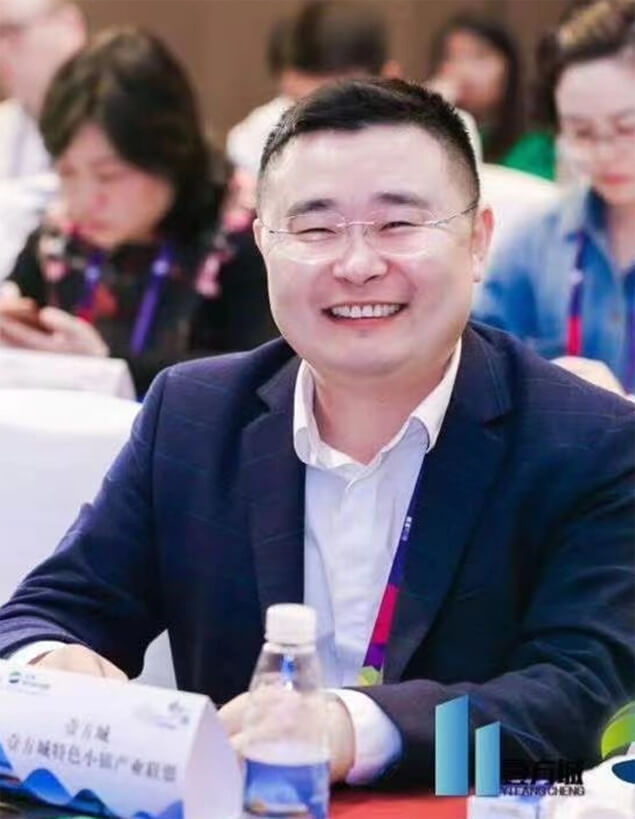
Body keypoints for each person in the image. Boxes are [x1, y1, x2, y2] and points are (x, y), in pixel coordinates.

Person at [0, 78, 632, 788]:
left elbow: (582, 709)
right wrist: (51, 666)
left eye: (398, 224)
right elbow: (44, 615)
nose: (357, 264)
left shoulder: (587, 441)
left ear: (477, 240)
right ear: (264, 245)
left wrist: (354, 730)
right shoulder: (194, 416)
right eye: (315, 229)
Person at [0, 27, 275, 396]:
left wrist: (104, 369)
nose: (82, 201)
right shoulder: (61, 232)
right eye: (67, 172)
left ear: (169, 155)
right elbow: (20, 302)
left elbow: (260, 380)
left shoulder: (250, 238)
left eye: (108, 176)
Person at [474, 0, 635, 395]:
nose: (603, 152)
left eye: (626, 128)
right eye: (581, 132)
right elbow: (480, 366)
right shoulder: (534, 241)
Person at [226, 0, 487, 184]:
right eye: (298, 102)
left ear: (388, 77)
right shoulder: (256, 137)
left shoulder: (446, 135)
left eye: (339, 104)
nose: (320, 119)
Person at [0, 0, 86, 278]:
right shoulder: (5, 125)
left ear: (70, 26)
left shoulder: (119, 129)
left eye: (11, 32)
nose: (2, 50)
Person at [428, 12, 555, 179]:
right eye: (451, 58)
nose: (464, 70)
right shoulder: (440, 134)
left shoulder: (537, 145)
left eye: (479, 56)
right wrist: (429, 112)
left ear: (509, 67)